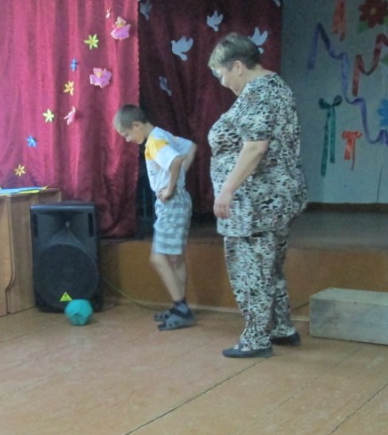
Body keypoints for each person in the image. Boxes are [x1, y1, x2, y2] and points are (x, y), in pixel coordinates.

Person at [207, 33, 307, 358]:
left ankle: (256, 339)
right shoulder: (276, 87)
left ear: (238, 66)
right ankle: (281, 328)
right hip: (274, 197)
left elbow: (255, 147)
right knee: (269, 267)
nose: (223, 83)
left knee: (251, 270)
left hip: (255, 201)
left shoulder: (258, 92)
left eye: (222, 74)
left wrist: (227, 189)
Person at [114, 104, 198, 330]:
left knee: (158, 257)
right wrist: (178, 180)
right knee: (175, 258)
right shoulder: (163, 134)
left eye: (127, 134)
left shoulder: (154, 141)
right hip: (179, 201)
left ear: (136, 125)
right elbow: (189, 147)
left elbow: (176, 160)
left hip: (171, 203)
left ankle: (181, 308)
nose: (128, 139)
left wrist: (171, 187)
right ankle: (180, 306)